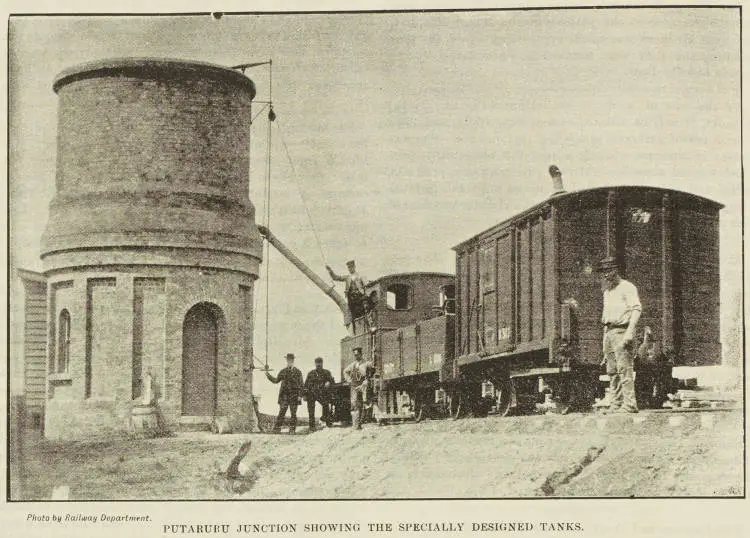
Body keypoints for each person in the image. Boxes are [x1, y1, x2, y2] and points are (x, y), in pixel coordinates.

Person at [598, 256, 642, 414]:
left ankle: (630, 404)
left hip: (622, 330)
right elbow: (606, 317)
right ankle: (616, 404)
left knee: (624, 369)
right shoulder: (607, 292)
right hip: (609, 332)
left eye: (608, 271)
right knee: (612, 370)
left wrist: (629, 333)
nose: (605, 275)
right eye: (603, 272)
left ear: (615, 270)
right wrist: (605, 339)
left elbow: (636, 309)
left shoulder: (627, 287)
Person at [265, 353, 304, 433]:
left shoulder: (298, 372)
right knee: (282, 411)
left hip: (294, 395)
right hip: (284, 396)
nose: (290, 361)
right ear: (286, 360)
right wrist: (268, 375)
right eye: (288, 360)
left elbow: (301, 385)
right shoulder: (283, 371)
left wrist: (300, 395)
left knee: (293, 413)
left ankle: (292, 430)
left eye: (291, 360)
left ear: (293, 360)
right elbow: (276, 380)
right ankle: (276, 429)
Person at [343, 347, 374, 430]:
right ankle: (356, 425)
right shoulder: (352, 365)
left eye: (357, 354)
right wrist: (349, 380)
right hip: (354, 386)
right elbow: (345, 371)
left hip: (363, 385)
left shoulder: (367, 363)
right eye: (355, 355)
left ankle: (364, 421)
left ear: (361, 354)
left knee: (365, 402)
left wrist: (367, 380)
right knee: (354, 404)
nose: (356, 356)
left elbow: (371, 372)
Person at [304, 357, 336, 430]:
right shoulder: (311, 373)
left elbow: (332, 382)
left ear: (322, 363)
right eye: (317, 363)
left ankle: (328, 422)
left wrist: (329, 382)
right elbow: (306, 385)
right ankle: (312, 426)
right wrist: (305, 395)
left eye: (320, 363)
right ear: (315, 364)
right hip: (311, 393)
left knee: (326, 405)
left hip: (322, 393)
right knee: (311, 409)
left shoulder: (326, 372)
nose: (318, 364)